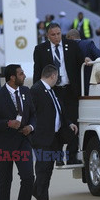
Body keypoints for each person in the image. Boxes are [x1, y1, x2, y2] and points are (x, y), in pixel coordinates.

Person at [0, 64, 36, 200]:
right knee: (5, 182)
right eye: (21, 74)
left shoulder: (26, 91)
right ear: (12, 77)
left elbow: (33, 114)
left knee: (28, 179)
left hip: (22, 143)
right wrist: (7, 123)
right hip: (2, 145)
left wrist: (31, 127)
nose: (24, 76)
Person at [33, 23, 84, 165]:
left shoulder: (72, 46)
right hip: (52, 92)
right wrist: (36, 93)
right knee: (56, 123)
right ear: (47, 35)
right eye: (53, 35)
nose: (56, 37)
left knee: (73, 122)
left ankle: (72, 156)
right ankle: (58, 156)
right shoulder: (40, 50)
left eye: (58, 34)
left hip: (70, 90)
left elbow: (81, 63)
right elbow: (37, 72)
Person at [31, 65, 78, 200]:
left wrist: (68, 123)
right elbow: (30, 113)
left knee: (48, 169)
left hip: (54, 137)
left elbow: (59, 110)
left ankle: (36, 191)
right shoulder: (36, 90)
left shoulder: (51, 91)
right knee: (43, 169)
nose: (57, 79)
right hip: (42, 137)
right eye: (57, 76)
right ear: (53, 76)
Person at [66, 28, 100, 95]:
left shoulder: (67, 47)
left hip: (72, 85)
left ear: (70, 37)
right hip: (88, 81)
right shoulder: (88, 44)